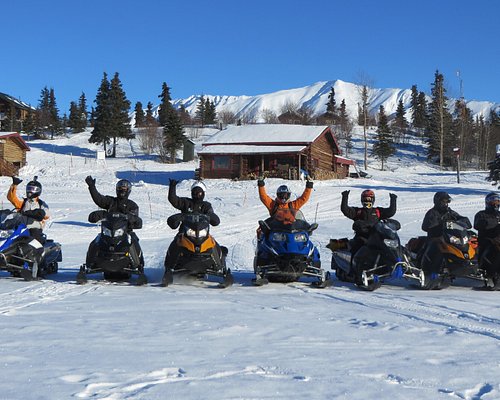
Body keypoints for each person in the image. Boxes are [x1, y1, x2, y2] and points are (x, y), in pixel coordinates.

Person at [163, 179, 221, 281]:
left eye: (199, 192)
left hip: (202, 234)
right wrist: (172, 187)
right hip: (185, 233)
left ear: (203, 193)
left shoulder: (206, 206)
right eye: (195, 192)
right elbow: (174, 200)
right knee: (175, 244)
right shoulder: (186, 202)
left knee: (213, 243)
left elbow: (211, 215)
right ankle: (169, 267)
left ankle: (220, 267)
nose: (197, 194)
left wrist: (212, 217)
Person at [84, 176, 144, 272]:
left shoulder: (132, 205)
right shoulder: (111, 201)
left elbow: (136, 219)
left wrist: (130, 218)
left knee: (133, 241)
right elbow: (99, 199)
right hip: (108, 231)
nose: (122, 190)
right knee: (96, 241)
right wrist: (92, 187)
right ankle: (90, 265)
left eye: (124, 189)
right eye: (120, 188)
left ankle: (138, 265)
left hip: (125, 232)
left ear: (128, 190)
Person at [420, 191, 471, 274]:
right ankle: (427, 268)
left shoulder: (449, 212)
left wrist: (464, 222)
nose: (446, 204)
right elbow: (425, 226)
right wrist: (438, 226)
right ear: (438, 201)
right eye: (444, 201)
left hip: (449, 237)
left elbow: (460, 218)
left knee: (467, 241)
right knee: (435, 246)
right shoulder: (432, 213)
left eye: (447, 201)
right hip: (435, 237)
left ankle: (463, 264)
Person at [340, 189, 397, 256]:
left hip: (376, 237)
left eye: (369, 199)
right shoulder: (358, 211)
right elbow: (346, 210)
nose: (367, 201)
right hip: (361, 237)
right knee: (356, 249)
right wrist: (345, 197)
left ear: (373, 199)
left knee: (388, 249)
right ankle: (354, 265)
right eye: (365, 199)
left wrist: (393, 199)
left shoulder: (377, 211)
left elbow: (390, 211)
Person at [7, 176, 49, 244]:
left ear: (38, 190)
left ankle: (39, 253)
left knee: (36, 240)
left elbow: (46, 214)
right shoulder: (23, 203)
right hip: (21, 229)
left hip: (34, 229)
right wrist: (14, 185)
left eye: (32, 189)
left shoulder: (41, 204)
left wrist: (39, 213)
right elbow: (11, 198)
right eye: (29, 188)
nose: (30, 191)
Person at [473, 192, 500, 289]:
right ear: (488, 202)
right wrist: (495, 223)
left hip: (498, 240)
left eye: (497, 201)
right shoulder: (481, 214)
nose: (496, 203)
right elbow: (478, 224)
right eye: (493, 201)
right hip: (487, 241)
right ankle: (493, 275)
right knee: (495, 250)